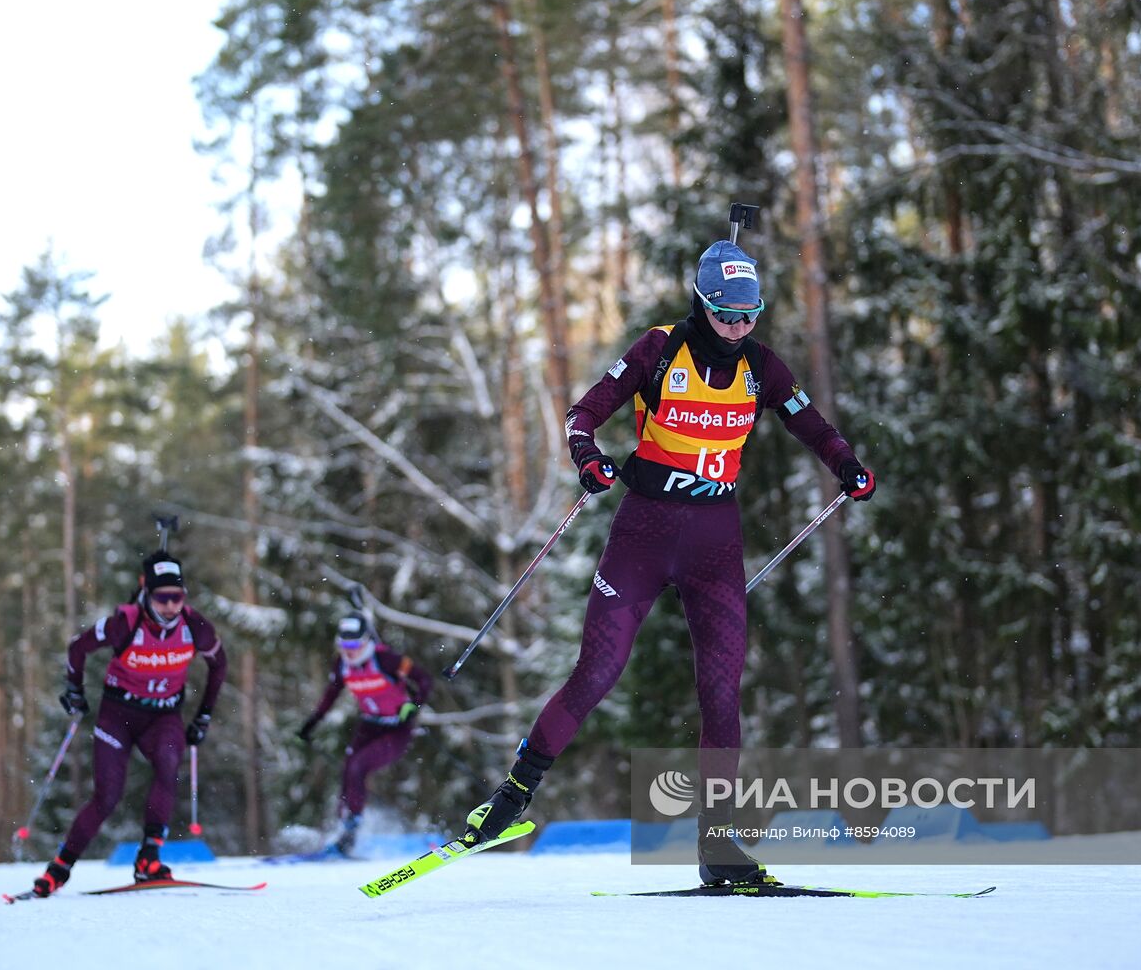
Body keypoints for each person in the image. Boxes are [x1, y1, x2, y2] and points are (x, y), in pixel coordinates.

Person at [458, 236, 876, 885]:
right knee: (596, 674)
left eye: (750, 315)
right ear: (701, 303)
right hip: (643, 534)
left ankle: (719, 848)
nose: (739, 328)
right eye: (727, 315)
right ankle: (507, 801)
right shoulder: (659, 349)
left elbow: (810, 422)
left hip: (716, 540)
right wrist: (588, 458)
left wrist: (845, 463)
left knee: (721, 693)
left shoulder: (762, 366)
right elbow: (584, 414)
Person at [30, 550, 227, 897]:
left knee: (168, 764)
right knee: (107, 795)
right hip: (118, 714)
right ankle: (59, 869)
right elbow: (78, 647)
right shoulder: (125, 622)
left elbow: (219, 665)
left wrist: (204, 714)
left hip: (164, 715)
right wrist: (74, 690)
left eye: (177, 598)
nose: (170, 606)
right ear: (146, 595)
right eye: (162, 598)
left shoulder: (194, 626)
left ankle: (148, 859)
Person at [296, 611, 434, 856]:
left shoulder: (386, 659)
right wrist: (312, 723)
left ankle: (351, 829)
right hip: (369, 725)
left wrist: (414, 704)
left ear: (366, 640)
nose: (348, 651)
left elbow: (424, 679)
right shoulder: (342, 665)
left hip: (397, 729)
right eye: (343, 645)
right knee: (348, 769)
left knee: (359, 766)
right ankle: (343, 829)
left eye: (354, 644)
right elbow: (330, 695)